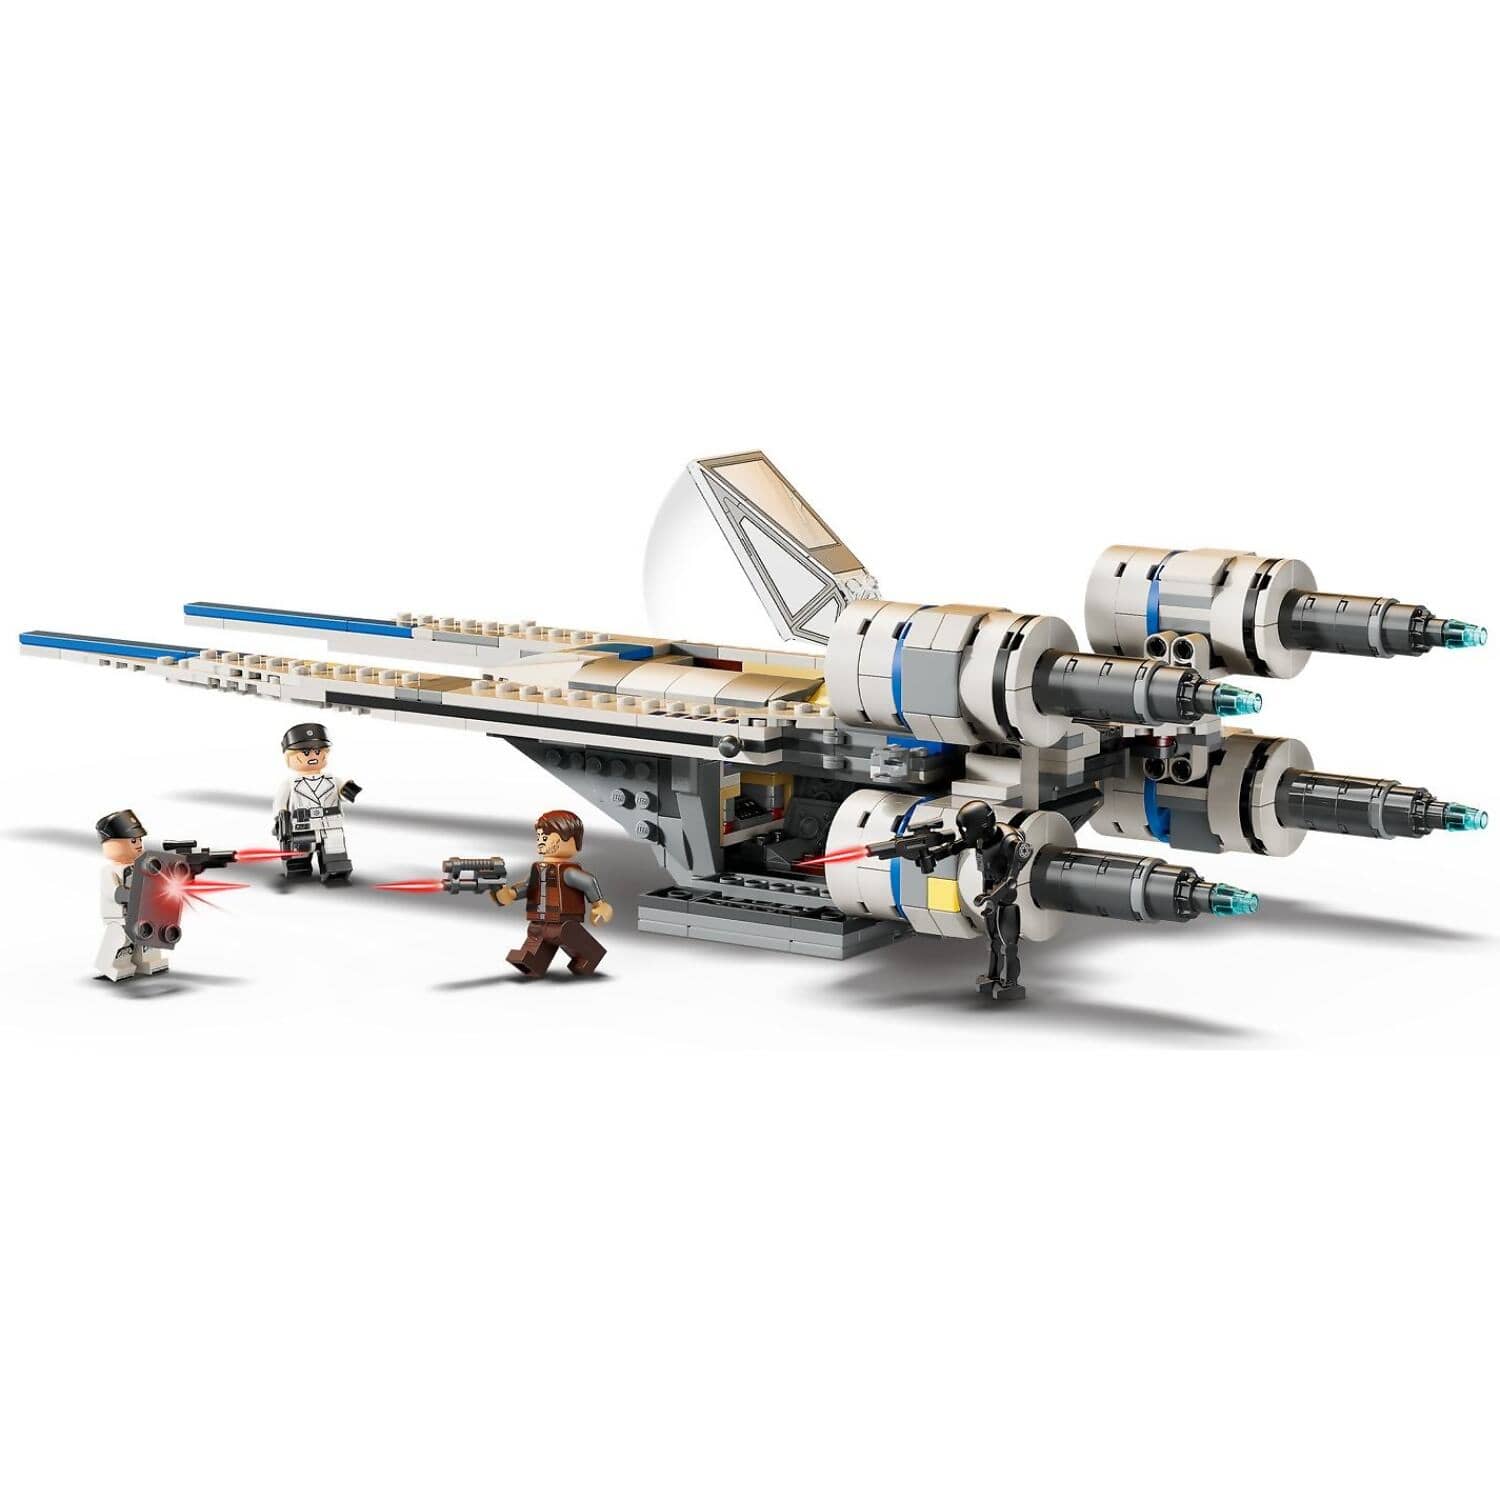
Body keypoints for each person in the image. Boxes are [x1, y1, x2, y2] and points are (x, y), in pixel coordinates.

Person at [491, 810, 613, 977]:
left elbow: (588, 883)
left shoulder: (568, 872)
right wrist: (508, 894)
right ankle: (532, 963)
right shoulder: (538, 869)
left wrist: (600, 906)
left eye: (546, 836)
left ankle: (590, 956)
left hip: (564, 922)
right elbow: (527, 887)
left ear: (571, 840)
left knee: (567, 934)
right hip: (539, 922)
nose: (541, 840)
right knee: (535, 935)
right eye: (539, 836)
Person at [273, 723, 362, 883]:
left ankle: (335, 869)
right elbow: (280, 804)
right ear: (289, 757)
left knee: (335, 851)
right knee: (299, 854)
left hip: (330, 824)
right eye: (305, 752)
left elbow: (342, 792)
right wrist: (280, 822)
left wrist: (347, 790)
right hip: (302, 826)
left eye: (318, 751)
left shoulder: (332, 780)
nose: (313, 756)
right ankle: (298, 867)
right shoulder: (289, 784)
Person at [95, 808, 168, 981]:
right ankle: (111, 965)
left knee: (147, 937)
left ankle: (147, 961)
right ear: (110, 844)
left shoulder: (140, 866)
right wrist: (136, 895)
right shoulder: (110, 871)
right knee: (122, 940)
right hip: (120, 917)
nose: (138, 843)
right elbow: (116, 893)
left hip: (140, 913)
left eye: (140, 839)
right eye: (133, 840)